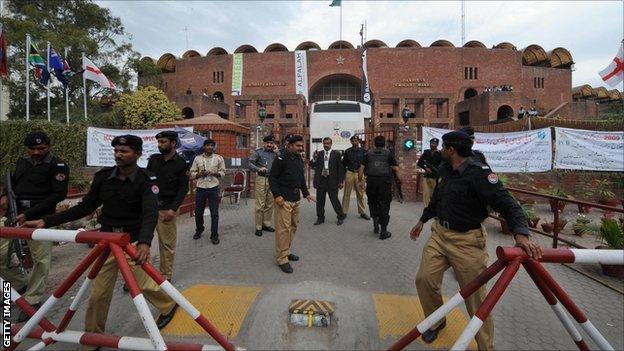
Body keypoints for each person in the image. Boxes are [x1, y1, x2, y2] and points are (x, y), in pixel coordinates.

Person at [22, 135, 178, 345]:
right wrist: (46, 221)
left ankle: (168, 305)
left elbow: (150, 213)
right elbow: (85, 207)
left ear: (138, 154)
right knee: (98, 294)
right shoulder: (103, 177)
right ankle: (93, 339)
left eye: (124, 151)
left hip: (131, 242)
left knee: (145, 284)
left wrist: (144, 242)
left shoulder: (146, 179)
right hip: (107, 243)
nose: (119, 155)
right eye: (116, 151)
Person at [409, 131, 542, 349]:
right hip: (440, 235)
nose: (441, 150)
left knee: (476, 300)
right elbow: (437, 200)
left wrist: (521, 234)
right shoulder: (445, 170)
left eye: (444, 147)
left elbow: (507, 203)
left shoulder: (480, 174)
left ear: (451, 150)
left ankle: (485, 346)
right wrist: (422, 220)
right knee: (424, 280)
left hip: (468, 242)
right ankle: (436, 321)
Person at [0, 131, 69, 322]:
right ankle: (19, 285)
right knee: (3, 254)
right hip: (15, 214)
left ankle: (33, 299)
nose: (37, 152)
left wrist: (28, 215)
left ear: (49, 146)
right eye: (32, 149)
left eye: (41, 148)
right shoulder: (22, 161)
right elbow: (12, 184)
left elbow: (58, 195)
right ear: (26, 149)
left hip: (41, 218)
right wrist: (4, 196)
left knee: (40, 260)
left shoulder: (58, 165)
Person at [146, 131, 190, 282]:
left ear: (173, 143)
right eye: (159, 142)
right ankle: (141, 274)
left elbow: (183, 188)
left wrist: (173, 209)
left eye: (163, 142)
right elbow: (146, 182)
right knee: (142, 242)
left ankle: (165, 276)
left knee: (166, 245)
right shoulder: (153, 160)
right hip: (149, 209)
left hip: (167, 210)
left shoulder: (181, 163)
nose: (160, 145)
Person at [269, 135, 315, 273]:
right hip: (284, 200)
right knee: (283, 230)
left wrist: (306, 193)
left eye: (301, 146)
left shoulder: (299, 159)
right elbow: (272, 178)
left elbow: (301, 178)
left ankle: (287, 251)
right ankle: (282, 258)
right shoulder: (280, 159)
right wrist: (277, 195)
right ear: (289, 145)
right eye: (298, 146)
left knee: (293, 227)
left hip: (295, 199)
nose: (301, 148)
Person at [358, 135, 400, 240]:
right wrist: (400, 181)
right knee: (384, 204)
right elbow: (396, 169)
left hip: (371, 182)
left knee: (372, 202)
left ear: (374, 144)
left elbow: (361, 169)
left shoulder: (368, 153)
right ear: (384, 143)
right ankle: (384, 231)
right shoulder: (388, 154)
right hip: (384, 183)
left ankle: (375, 223)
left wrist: (360, 181)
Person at [190, 139, 226, 244]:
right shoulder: (197, 158)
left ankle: (214, 235)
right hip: (201, 188)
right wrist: (199, 174)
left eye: (212, 145)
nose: (210, 147)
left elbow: (223, 172)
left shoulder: (219, 158)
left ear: (214, 147)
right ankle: (199, 230)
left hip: (213, 188)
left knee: (214, 213)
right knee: (198, 212)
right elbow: (192, 173)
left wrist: (214, 173)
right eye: (208, 145)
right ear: (204, 147)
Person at [311, 137, 346, 226]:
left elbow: (340, 168)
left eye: (328, 143)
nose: (326, 145)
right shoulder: (319, 154)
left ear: (331, 144)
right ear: (323, 144)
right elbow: (312, 165)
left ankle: (340, 216)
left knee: (334, 200)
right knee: (320, 200)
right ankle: (320, 218)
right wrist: (314, 159)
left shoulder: (336, 154)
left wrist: (341, 181)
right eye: (324, 143)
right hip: (321, 180)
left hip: (332, 180)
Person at [249, 135, 278, 236]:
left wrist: (278, 152)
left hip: (272, 180)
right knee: (260, 204)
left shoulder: (275, 154)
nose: (269, 145)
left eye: (271, 143)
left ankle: (266, 224)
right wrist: (258, 169)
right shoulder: (258, 152)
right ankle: (258, 227)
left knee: (270, 204)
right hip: (262, 179)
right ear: (264, 143)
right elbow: (250, 163)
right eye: (268, 143)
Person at [341, 136, 369, 220]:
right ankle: (344, 212)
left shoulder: (364, 152)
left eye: (356, 141)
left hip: (359, 174)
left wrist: (365, 175)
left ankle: (362, 212)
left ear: (358, 142)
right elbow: (343, 164)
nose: (354, 142)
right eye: (353, 141)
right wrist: (342, 177)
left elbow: (366, 164)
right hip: (349, 172)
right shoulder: (347, 151)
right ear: (351, 142)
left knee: (360, 193)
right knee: (346, 193)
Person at [416, 138, 442, 208]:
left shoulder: (440, 154)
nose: (432, 145)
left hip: (435, 177)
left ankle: (434, 210)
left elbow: (442, 165)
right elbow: (420, 162)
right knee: (426, 194)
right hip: (426, 176)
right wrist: (425, 168)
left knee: (434, 195)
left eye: (434, 143)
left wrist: (434, 169)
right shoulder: (426, 152)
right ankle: (426, 209)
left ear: (437, 145)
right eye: (431, 143)